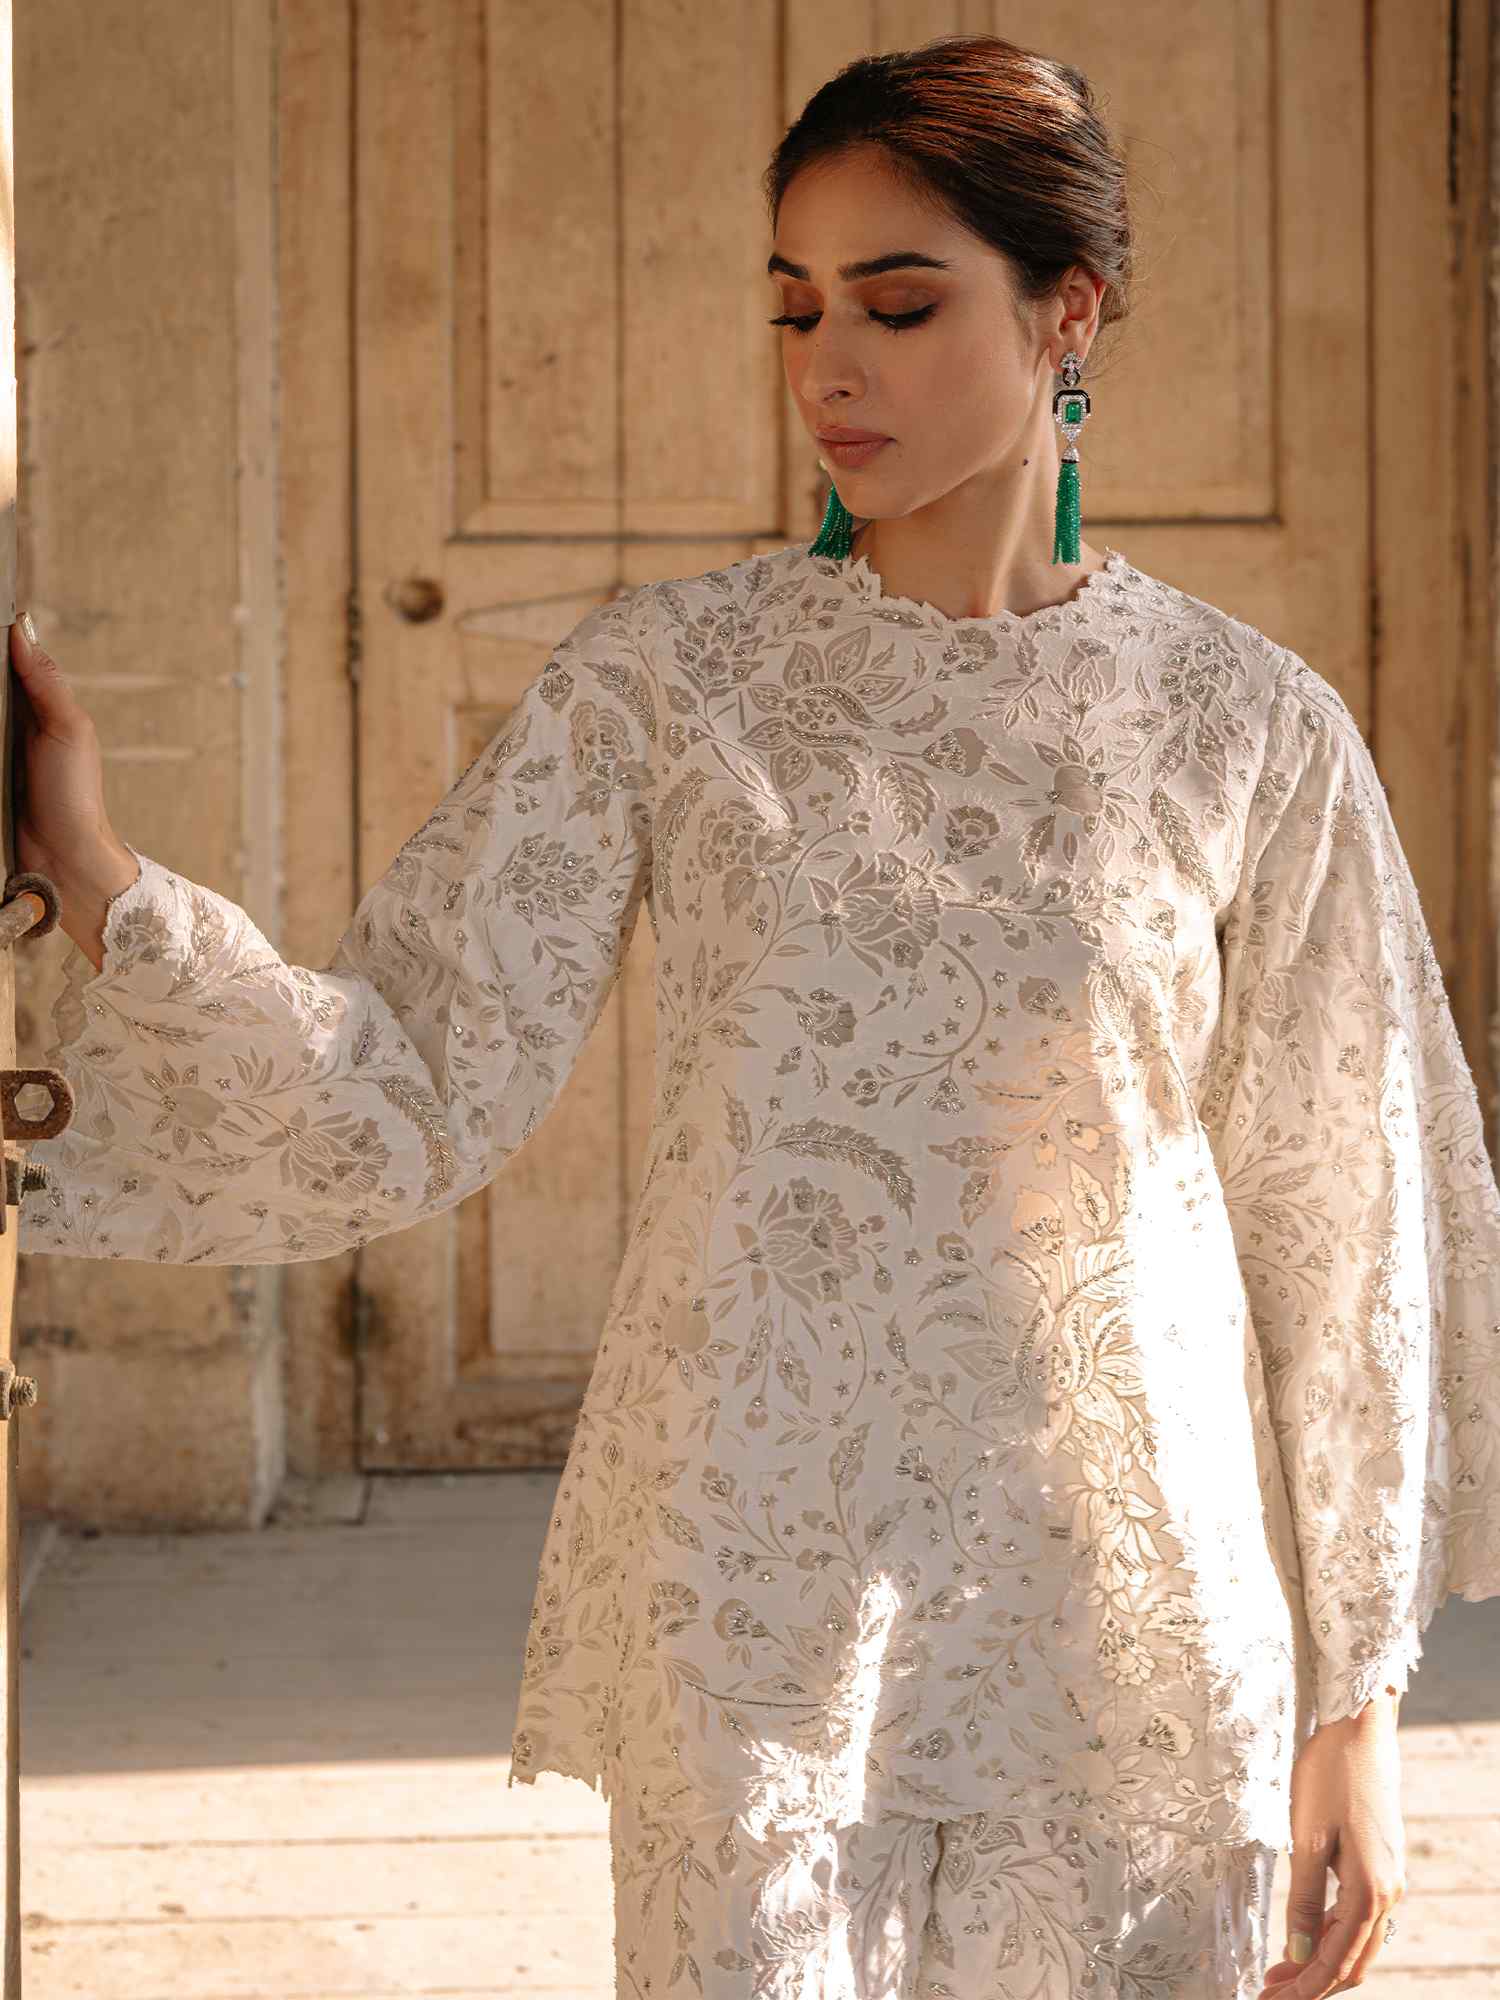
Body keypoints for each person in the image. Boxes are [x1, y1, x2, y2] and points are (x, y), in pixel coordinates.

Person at [9, 28, 1499, 2000]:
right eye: (798, 307)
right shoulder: (667, 684)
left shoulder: (1246, 724)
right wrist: (93, 870)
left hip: (1128, 1616)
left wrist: (1355, 1711)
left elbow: (1345, 1219)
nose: (829, 366)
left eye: (899, 303)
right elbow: (414, 1070)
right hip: (757, 1588)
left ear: (1069, 312)